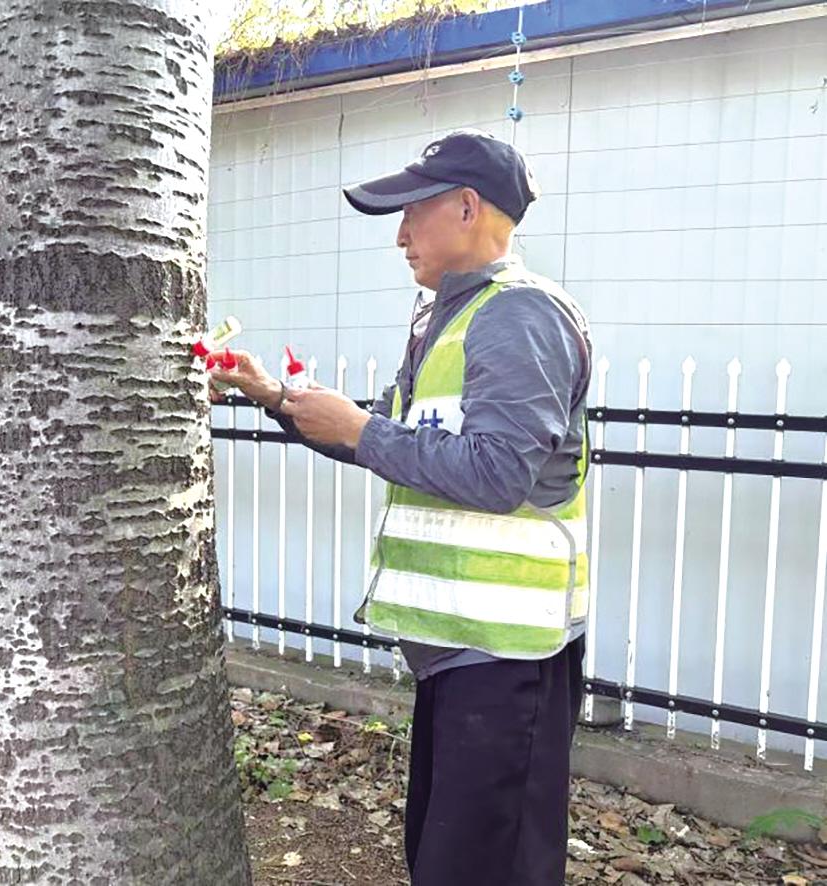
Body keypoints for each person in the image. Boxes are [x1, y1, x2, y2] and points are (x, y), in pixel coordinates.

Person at [209, 128, 591, 886]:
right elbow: (388, 441)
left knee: (483, 870)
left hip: (507, 658)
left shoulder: (519, 316)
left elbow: (497, 474)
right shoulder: (450, 317)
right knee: (446, 861)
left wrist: (360, 428)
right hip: (461, 652)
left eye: (412, 212)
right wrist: (274, 396)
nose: (399, 235)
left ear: (467, 207)